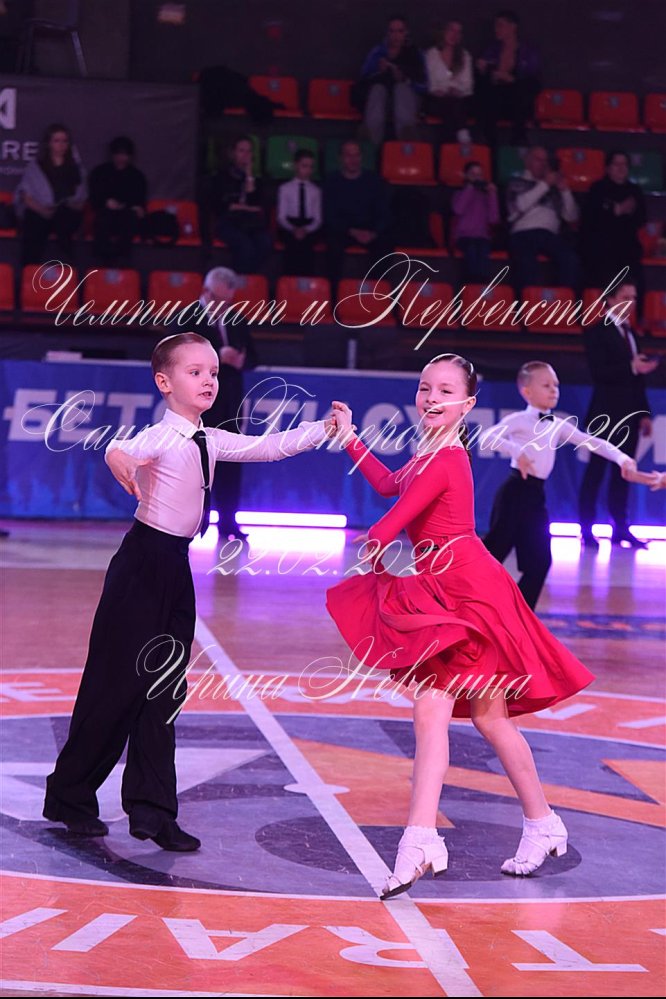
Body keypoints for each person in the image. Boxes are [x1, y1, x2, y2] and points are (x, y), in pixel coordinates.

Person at [43, 332, 336, 848]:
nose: (208, 380)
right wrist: (118, 459)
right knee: (115, 687)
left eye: (213, 372)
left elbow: (268, 447)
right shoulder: (162, 436)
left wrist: (324, 427)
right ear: (164, 382)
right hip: (140, 568)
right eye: (195, 372)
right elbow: (123, 449)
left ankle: (153, 812)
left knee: (165, 691)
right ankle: (70, 797)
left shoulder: (211, 439)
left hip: (175, 569)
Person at [326, 354, 595, 899]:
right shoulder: (428, 452)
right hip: (449, 588)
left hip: (469, 594)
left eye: (445, 391)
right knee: (487, 719)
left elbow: (392, 522)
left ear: (467, 404)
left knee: (441, 712)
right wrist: (351, 438)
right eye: (425, 388)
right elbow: (389, 485)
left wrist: (374, 543)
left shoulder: (446, 458)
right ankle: (541, 823)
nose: (431, 398)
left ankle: (422, 839)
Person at [480, 361, 636, 609]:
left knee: (540, 561)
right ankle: (460, 604)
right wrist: (515, 450)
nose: (554, 389)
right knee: (492, 555)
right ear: (527, 391)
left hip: (536, 497)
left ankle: (518, 615)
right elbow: (486, 438)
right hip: (514, 493)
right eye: (546, 385)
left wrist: (622, 458)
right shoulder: (519, 420)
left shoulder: (557, 424)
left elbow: (591, 441)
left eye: (556, 385)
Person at [578, 278, 657, 549]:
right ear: (610, 300)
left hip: (630, 416)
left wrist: (644, 413)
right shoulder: (597, 332)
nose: (631, 303)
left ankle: (620, 529)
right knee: (596, 473)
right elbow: (599, 373)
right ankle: (586, 530)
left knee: (624, 472)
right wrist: (632, 367)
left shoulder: (631, 333)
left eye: (634, 298)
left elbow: (637, 379)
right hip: (605, 416)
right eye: (625, 297)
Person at [197, 266, 258, 538]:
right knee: (197, 467)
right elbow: (173, 355)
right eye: (218, 300)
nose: (223, 306)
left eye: (228, 301)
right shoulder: (187, 318)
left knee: (230, 465)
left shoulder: (236, 320)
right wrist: (216, 357)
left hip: (230, 404)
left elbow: (255, 356)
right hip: (199, 408)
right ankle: (194, 523)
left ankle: (228, 523)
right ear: (206, 292)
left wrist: (241, 360)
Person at [580, 151, 646, 317]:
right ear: (608, 168)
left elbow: (641, 219)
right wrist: (616, 211)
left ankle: (634, 319)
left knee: (637, 278)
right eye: (617, 164)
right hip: (602, 248)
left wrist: (618, 211)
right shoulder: (597, 189)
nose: (621, 168)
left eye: (624, 164)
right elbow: (590, 219)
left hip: (628, 247)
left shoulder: (634, 191)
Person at [506, 146, 580, 294]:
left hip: (549, 235)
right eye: (538, 160)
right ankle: (527, 305)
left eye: (545, 161)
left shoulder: (554, 188)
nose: (543, 164)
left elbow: (571, 217)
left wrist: (565, 190)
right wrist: (545, 184)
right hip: (523, 232)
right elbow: (519, 206)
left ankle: (563, 302)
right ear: (527, 162)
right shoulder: (517, 182)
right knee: (526, 265)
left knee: (571, 260)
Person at [14, 122, 86, 266]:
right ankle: (29, 269)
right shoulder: (36, 167)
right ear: (48, 143)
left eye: (65, 141)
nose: (61, 145)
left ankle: (68, 268)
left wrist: (71, 204)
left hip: (66, 214)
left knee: (63, 218)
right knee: (34, 222)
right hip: (41, 211)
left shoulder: (75, 168)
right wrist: (42, 210)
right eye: (57, 141)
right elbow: (25, 196)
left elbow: (81, 199)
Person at [323, 139, 393, 288]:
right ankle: (334, 292)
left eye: (356, 155)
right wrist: (352, 231)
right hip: (343, 231)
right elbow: (329, 215)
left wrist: (373, 232)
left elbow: (383, 212)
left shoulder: (374, 181)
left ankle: (377, 292)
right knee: (332, 246)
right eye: (348, 155)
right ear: (341, 158)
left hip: (369, 230)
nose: (353, 160)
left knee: (385, 245)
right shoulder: (331, 182)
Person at [355, 14, 426, 145]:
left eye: (400, 31)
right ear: (387, 33)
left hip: (406, 101)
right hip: (381, 99)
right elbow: (362, 79)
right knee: (378, 90)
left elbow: (424, 85)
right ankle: (370, 145)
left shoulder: (415, 53)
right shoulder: (377, 52)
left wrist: (405, 79)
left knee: (401, 89)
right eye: (392, 31)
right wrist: (377, 70)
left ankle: (406, 144)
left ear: (406, 33)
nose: (395, 35)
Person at [475, 9, 540, 146]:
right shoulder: (492, 49)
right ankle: (489, 145)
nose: (496, 29)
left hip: (517, 102)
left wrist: (510, 79)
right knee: (487, 97)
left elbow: (533, 81)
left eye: (500, 25)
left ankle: (518, 142)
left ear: (513, 27)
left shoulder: (528, 52)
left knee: (522, 94)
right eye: (495, 26)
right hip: (496, 101)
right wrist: (484, 69)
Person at [212, 135, 271, 273]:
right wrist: (244, 207)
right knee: (244, 245)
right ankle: (241, 280)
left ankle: (250, 279)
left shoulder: (257, 181)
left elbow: (257, 204)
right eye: (241, 150)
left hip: (251, 223)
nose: (246, 155)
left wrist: (249, 175)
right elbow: (221, 205)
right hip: (229, 222)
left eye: (249, 151)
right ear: (233, 153)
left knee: (265, 242)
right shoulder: (221, 177)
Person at [88, 136, 147, 263]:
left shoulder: (137, 177)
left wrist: (132, 207)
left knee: (129, 219)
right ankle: (101, 260)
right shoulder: (100, 173)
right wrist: (106, 202)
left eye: (125, 154)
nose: (121, 158)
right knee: (103, 218)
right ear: (112, 154)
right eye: (118, 154)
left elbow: (140, 204)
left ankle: (122, 260)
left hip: (127, 217)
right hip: (105, 215)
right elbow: (93, 199)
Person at [423, 19, 474, 143]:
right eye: (451, 30)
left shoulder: (465, 56)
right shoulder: (432, 54)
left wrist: (456, 90)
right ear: (444, 32)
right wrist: (440, 90)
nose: (454, 35)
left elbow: (468, 85)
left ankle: (449, 145)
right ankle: (462, 134)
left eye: (458, 32)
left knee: (455, 103)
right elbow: (429, 82)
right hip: (436, 99)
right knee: (448, 104)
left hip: (459, 100)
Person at [451, 160, 500, 282]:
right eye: (473, 174)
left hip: (482, 237)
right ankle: (471, 284)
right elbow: (458, 209)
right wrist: (470, 187)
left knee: (483, 251)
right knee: (471, 250)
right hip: (464, 237)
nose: (477, 178)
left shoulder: (485, 196)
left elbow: (493, 218)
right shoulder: (459, 193)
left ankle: (481, 285)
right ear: (466, 175)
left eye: (479, 175)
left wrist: (492, 194)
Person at [277, 149, 322, 276]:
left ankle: (307, 280)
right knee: (292, 244)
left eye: (311, 167)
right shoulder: (285, 188)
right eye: (304, 166)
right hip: (290, 223)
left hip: (308, 225)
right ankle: (289, 280)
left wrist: (306, 229)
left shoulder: (316, 191)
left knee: (307, 245)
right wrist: (293, 229)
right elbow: (281, 217)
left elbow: (318, 219)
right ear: (296, 165)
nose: (308, 170)